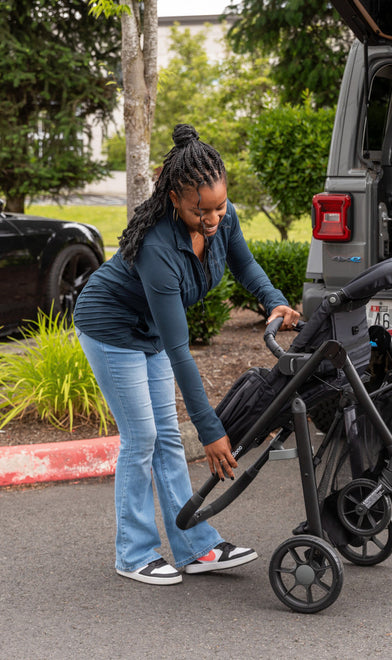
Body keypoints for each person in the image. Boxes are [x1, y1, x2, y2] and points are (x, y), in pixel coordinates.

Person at [74, 124, 300, 586]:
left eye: (220, 206)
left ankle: (195, 546)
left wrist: (273, 299)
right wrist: (211, 430)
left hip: (151, 331)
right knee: (141, 439)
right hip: (111, 327)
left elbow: (245, 263)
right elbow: (181, 351)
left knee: (167, 439)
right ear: (175, 197)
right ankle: (133, 554)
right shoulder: (158, 247)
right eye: (203, 210)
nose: (215, 218)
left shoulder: (221, 215)